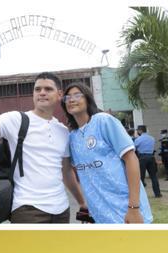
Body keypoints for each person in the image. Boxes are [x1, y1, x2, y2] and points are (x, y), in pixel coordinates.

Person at [0, 52, 87, 223]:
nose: (42, 93)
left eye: (48, 89)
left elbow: (66, 172)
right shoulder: (17, 120)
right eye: (37, 89)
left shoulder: (63, 132)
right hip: (27, 210)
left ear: (59, 95)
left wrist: (81, 202)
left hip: (61, 210)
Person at [61, 84, 152, 224]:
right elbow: (68, 172)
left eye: (77, 95)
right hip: (100, 217)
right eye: (67, 97)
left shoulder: (103, 121)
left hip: (127, 210)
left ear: (88, 99)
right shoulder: (72, 137)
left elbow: (131, 159)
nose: (71, 99)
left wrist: (133, 207)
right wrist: (83, 203)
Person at [134, 125, 163, 199]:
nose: (137, 132)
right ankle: (158, 193)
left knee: (141, 177)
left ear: (140, 131)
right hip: (151, 157)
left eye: (138, 130)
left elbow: (134, 148)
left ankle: (140, 195)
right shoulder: (152, 138)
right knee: (153, 176)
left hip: (142, 158)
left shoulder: (138, 139)